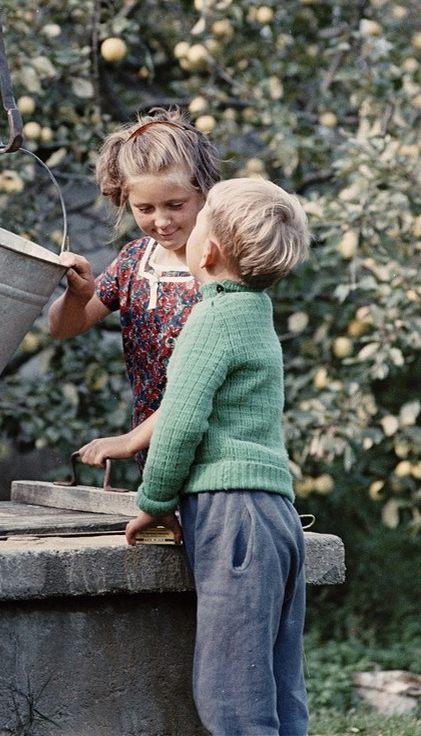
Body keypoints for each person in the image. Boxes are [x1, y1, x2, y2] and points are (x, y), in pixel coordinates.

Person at [125, 177, 311, 736]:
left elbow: (178, 425)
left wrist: (155, 500)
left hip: (234, 518)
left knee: (230, 693)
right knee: (277, 683)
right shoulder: (256, 313)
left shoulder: (210, 322)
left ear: (205, 252)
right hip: (275, 515)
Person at [48, 108, 221, 469]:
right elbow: (63, 328)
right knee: (158, 527)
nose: (161, 220)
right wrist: (78, 295)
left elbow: (201, 386)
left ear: (204, 193)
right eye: (145, 208)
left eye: (176, 205)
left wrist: (130, 440)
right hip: (154, 451)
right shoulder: (134, 261)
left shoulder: (220, 267)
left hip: (215, 449)